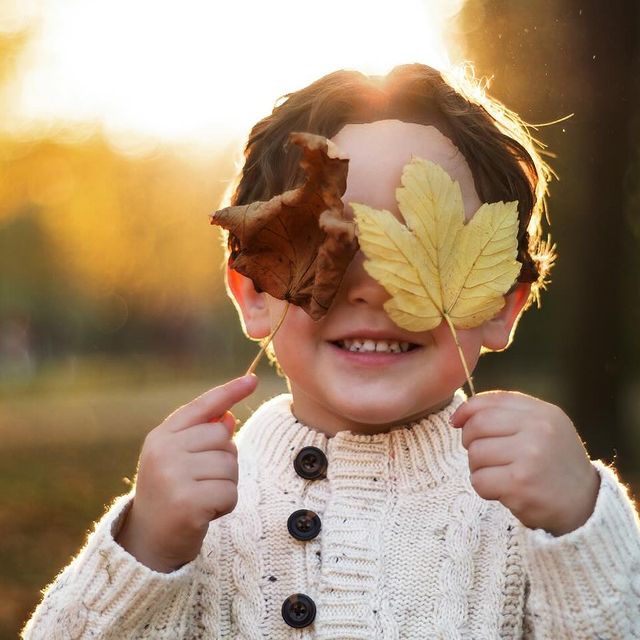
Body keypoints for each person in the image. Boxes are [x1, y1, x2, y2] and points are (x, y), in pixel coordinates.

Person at [23, 64, 640, 639]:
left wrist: (580, 529)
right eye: (332, 245)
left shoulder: (535, 506)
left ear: (502, 303)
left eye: (425, 250)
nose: (374, 288)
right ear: (255, 291)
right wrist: (145, 550)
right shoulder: (191, 509)